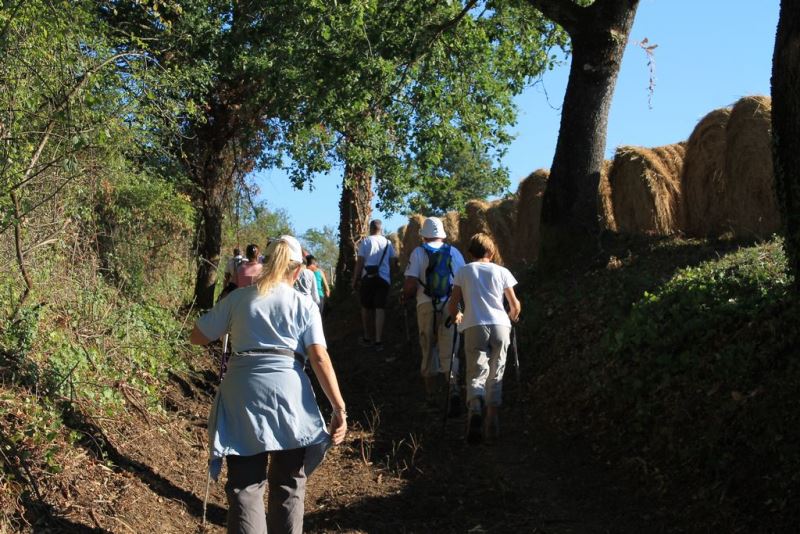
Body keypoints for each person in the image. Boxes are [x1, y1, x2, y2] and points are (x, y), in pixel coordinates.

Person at [189, 235, 347, 534]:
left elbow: (197, 335)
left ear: (264, 263)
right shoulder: (305, 305)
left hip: (242, 390)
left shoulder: (237, 298)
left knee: (245, 485)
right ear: (298, 271)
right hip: (288, 392)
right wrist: (339, 407)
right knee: (288, 482)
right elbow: (319, 357)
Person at [448, 233, 521, 444]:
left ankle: (475, 409)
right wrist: (510, 318)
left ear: (470, 253)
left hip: (473, 325)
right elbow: (514, 305)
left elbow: (453, 305)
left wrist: (457, 317)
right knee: (496, 372)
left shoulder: (463, 271)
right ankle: (492, 421)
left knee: (476, 372)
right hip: (500, 325)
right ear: (492, 251)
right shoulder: (502, 271)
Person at [402, 216, 465, 410]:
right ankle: (453, 389)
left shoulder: (418, 253)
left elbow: (410, 285)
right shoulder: (454, 252)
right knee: (450, 348)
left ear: (424, 236)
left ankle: (431, 396)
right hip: (450, 305)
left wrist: (404, 296)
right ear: (443, 235)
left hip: (426, 306)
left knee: (428, 347)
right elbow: (464, 280)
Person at [352, 220, 397, 352]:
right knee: (380, 308)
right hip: (383, 279)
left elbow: (360, 262)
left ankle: (367, 337)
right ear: (381, 229)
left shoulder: (365, 242)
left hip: (368, 278)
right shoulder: (388, 243)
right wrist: (392, 276)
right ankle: (378, 340)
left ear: (371, 228)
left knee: (366, 307)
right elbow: (393, 262)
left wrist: (355, 279)